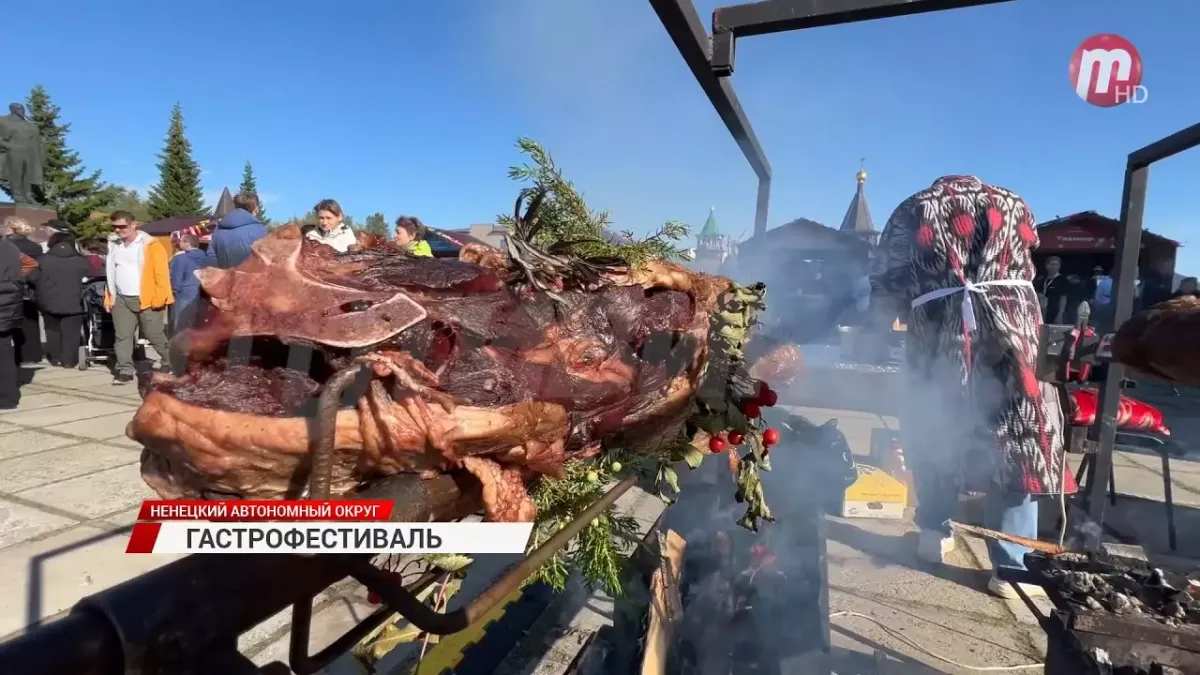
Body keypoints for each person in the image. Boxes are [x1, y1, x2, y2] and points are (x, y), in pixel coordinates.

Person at [871, 176, 1073, 600]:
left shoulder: (915, 206)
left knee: (935, 426)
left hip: (940, 324)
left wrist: (881, 324)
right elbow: (1030, 250)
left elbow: (887, 277)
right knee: (1017, 437)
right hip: (1014, 327)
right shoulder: (1015, 202)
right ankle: (1012, 567)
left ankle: (933, 534)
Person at [104, 211, 173, 384]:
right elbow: (110, 274)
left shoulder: (151, 245)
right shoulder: (114, 245)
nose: (118, 230)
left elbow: (162, 274)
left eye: (122, 226)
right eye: (115, 227)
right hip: (121, 299)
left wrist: (160, 297)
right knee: (123, 336)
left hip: (147, 298)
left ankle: (170, 361)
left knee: (154, 335)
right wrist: (109, 296)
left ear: (133, 225)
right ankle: (124, 370)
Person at [29, 232, 91, 368]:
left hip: (48, 301)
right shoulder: (82, 260)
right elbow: (90, 277)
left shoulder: (42, 260)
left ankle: (56, 358)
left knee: (52, 330)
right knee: (72, 331)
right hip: (75, 301)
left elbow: (32, 278)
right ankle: (69, 360)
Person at [0, 237, 37, 408]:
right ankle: (7, 398)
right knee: (5, 350)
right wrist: (16, 280)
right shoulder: (11, 248)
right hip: (8, 304)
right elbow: (31, 263)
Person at [3, 216, 44, 363]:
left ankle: (16, 356)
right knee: (31, 322)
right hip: (31, 289)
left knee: (11, 324)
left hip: (11, 288)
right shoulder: (35, 247)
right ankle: (34, 354)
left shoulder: (7, 246)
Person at [207, 191, 269, 268]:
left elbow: (211, 260)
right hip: (251, 274)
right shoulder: (260, 230)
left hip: (225, 274)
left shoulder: (218, 230)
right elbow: (266, 261)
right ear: (256, 209)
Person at [169, 234, 208, 333]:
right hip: (203, 292)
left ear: (187, 244)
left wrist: (174, 291)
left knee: (180, 324)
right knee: (198, 324)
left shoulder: (180, 258)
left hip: (183, 293)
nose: (179, 243)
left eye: (181, 241)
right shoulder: (207, 257)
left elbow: (176, 278)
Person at [1034, 256, 1069, 324]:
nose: (1054, 267)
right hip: (1042, 310)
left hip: (1056, 311)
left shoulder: (1063, 280)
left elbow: (1063, 298)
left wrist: (1060, 315)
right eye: (1052, 264)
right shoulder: (1042, 279)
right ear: (1046, 266)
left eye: (1057, 264)